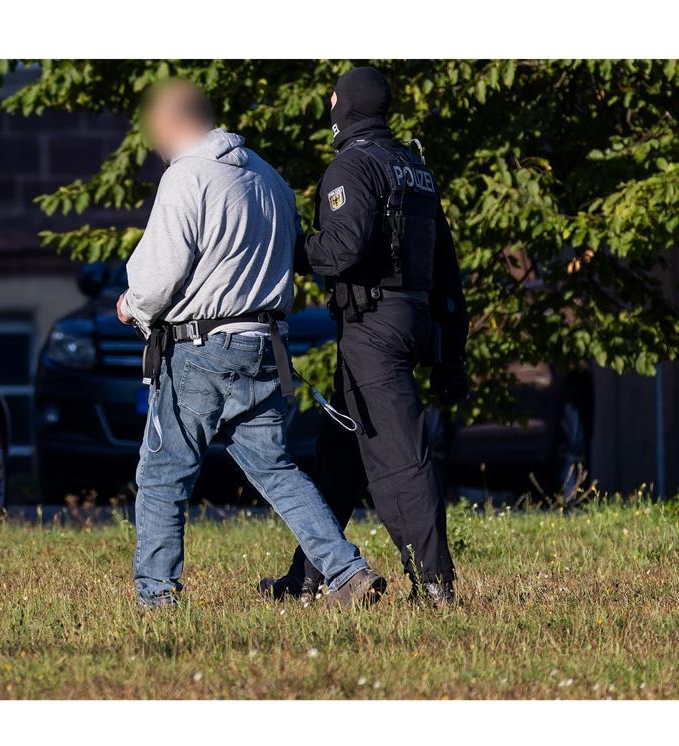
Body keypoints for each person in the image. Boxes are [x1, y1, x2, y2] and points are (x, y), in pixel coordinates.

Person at [118, 79, 386, 609]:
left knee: (164, 475)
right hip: (266, 346)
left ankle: (157, 599)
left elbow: (161, 272)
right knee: (276, 469)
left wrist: (133, 305)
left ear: (175, 122)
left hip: (201, 348)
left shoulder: (187, 175)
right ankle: (347, 572)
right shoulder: (269, 176)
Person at [259, 66, 470, 606]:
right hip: (405, 320)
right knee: (340, 459)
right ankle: (308, 577)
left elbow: (341, 249)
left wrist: (285, 247)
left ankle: (434, 585)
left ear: (346, 106)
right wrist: (452, 353)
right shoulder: (413, 167)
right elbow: (446, 269)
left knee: (400, 459)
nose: (329, 108)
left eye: (333, 100)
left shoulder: (353, 165)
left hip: (373, 330)